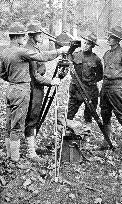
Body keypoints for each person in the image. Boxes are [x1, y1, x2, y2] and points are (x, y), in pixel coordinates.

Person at [0, 22, 68, 163]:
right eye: (22, 36)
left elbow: (1, 73)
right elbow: (42, 57)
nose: (23, 38)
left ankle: (8, 155)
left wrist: (13, 79)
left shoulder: (5, 51)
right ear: (17, 36)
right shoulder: (21, 51)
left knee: (9, 123)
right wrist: (59, 51)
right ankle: (15, 159)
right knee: (18, 125)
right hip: (22, 89)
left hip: (11, 89)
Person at [25, 21, 61, 162]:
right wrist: (51, 82)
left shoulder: (35, 47)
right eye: (39, 34)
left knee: (35, 116)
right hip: (34, 88)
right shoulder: (31, 49)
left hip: (37, 87)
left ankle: (32, 146)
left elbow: (45, 55)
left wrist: (59, 52)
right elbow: (36, 76)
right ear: (33, 35)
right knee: (32, 117)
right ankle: (31, 152)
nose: (42, 36)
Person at [100, 26, 122, 160]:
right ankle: (107, 142)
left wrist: (121, 87)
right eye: (108, 36)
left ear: (117, 40)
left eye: (111, 37)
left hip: (117, 88)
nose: (108, 38)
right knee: (105, 115)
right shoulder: (107, 54)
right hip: (105, 87)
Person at [67, 33, 103, 124]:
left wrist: (90, 82)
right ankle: (68, 132)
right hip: (76, 90)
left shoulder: (96, 59)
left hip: (90, 91)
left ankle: (87, 133)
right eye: (84, 42)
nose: (85, 45)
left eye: (88, 43)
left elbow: (100, 75)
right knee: (70, 113)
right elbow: (67, 59)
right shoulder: (75, 55)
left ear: (92, 46)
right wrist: (71, 48)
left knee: (89, 114)